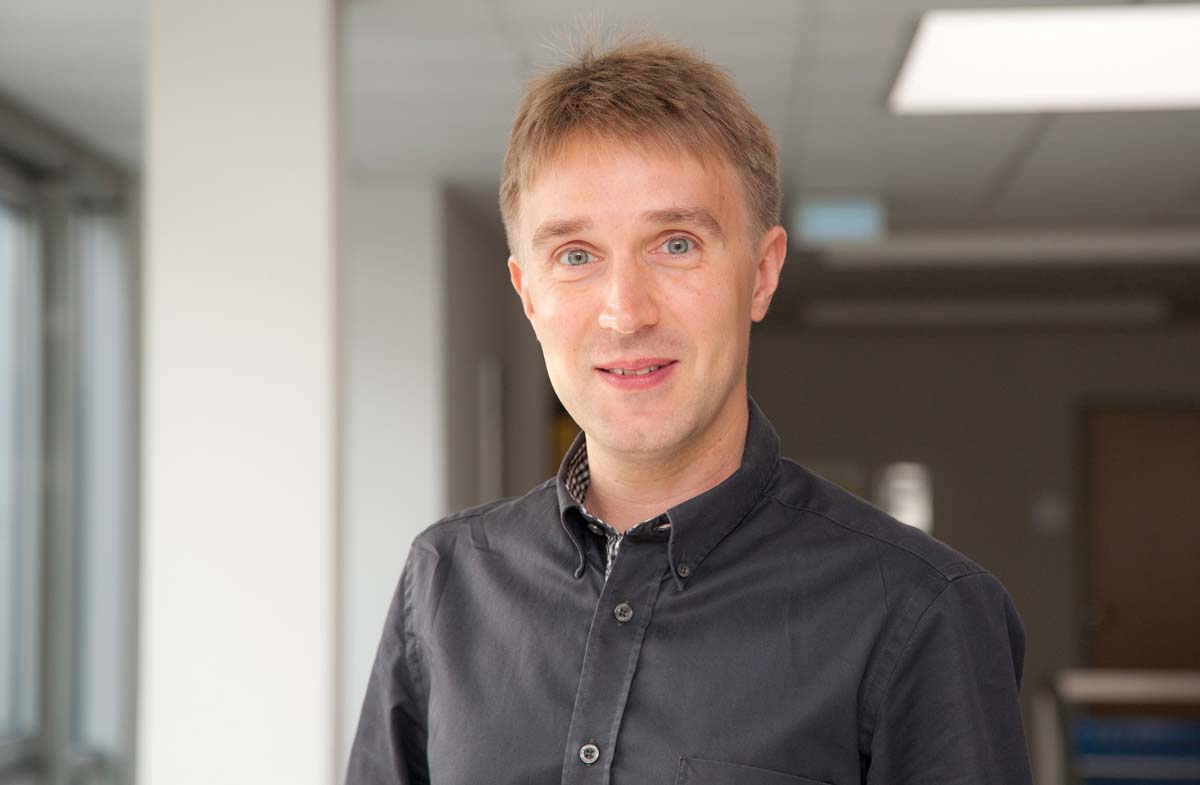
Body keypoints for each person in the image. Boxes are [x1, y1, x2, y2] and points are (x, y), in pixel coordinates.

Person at [346, 36, 1033, 785]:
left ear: (762, 273)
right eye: (575, 255)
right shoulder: (444, 583)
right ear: (528, 292)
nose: (625, 312)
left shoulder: (924, 612)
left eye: (675, 245)